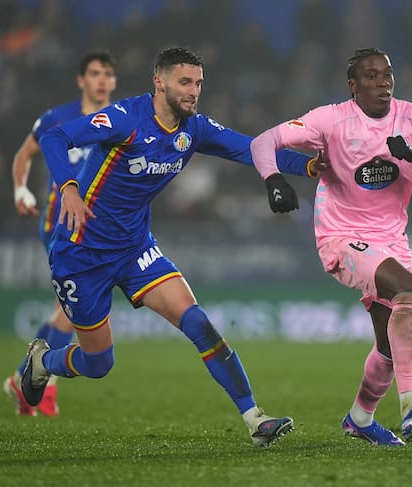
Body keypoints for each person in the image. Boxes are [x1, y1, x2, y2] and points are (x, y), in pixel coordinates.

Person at [21, 47, 323, 447]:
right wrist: (70, 189)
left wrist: (307, 166)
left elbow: (250, 148)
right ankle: (43, 361)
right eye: (184, 82)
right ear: (159, 82)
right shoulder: (125, 119)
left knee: (199, 323)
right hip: (81, 253)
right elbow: (55, 136)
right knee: (98, 362)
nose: (193, 91)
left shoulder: (194, 129)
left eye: (198, 83)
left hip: (134, 249)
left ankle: (255, 419)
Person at [250, 48, 412, 446]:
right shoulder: (331, 120)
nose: (383, 82)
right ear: (353, 86)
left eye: (387, 74)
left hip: (392, 241)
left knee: (389, 347)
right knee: (408, 291)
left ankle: (360, 418)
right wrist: (273, 178)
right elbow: (265, 141)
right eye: (371, 76)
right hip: (340, 236)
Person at [4, 50, 118, 417]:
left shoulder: (122, 120)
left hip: (100, 229)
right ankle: (39, 381)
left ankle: (24, 378)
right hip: (61, 225)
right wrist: (21, 190)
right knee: (71, 312)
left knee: (65, 310)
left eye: (107, 74)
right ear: (81, 80)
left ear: (114, 81)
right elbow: (24, 155)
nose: (102, 80)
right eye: (95, 73)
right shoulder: (58, 118)